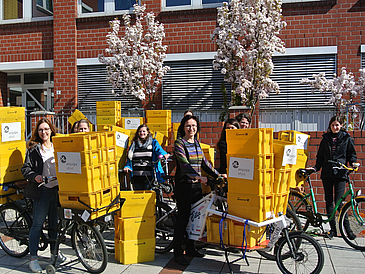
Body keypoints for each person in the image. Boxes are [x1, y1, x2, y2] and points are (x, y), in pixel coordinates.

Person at [173, 115, 227, 266]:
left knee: (195, 218)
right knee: (183, 218)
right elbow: (184, 165)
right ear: (183, 127)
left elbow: (204, 163)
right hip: (184, 186)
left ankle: (191, 247)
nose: (192, 129)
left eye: (194, 126)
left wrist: (218, 175)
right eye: (188, 126)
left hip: (196, 187)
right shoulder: (179, 143)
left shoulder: (196, 143)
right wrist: (198, 177)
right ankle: (177, 252)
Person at [21, 118, 66, 273]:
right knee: (38, 224)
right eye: (40, 130)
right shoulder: (34, 149)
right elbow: (25, 169)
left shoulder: (58, 145)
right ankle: (33, 258)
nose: (44, 132)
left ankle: (54, 252)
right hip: (42, 190)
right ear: (37, 132)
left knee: (54, 224)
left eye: (46, 129)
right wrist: (35, 176)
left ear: (51, 130)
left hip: (57, 189)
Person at [307, 116, 357, 239]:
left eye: (337, 125)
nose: (335, 127)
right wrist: (315, 168)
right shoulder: (325, 139)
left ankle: (348, 230)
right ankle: (332, 230)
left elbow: (351, 154)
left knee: (340, 203)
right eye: (333, 125)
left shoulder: (346, 138)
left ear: (341, 126)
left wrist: (354, 163)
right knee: (329, 202)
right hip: (327, 173)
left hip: (340, 173)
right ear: (330, 126)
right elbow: (320, 157)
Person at [123, 124, 169, 190]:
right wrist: (127, 166)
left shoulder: (153, 142)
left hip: (150, 177)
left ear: (147, 132)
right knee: (139, 198)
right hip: (137, 177)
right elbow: (129, 158)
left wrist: (164, 154)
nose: (142, 133)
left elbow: (159, 149)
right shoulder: (133, 144)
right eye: (140, 131)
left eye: (144, 131)